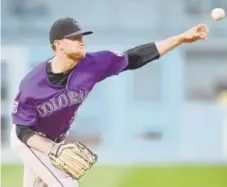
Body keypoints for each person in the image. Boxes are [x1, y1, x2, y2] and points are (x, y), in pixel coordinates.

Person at [10, 17, 209, 187]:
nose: (82, 41)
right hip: (31, 140)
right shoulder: (32, 84)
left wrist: (180, 39)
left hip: (58, 139)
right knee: (66, 184)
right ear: (59, 44)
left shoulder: (92, 64)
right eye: (75, 38)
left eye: (82, 36)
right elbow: (22, 131)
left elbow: (135, 57)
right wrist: (52, 150)